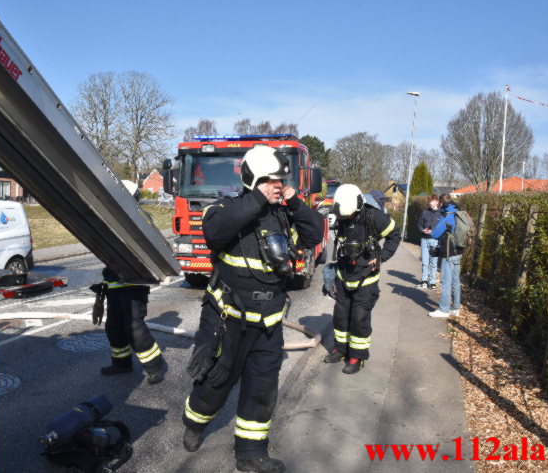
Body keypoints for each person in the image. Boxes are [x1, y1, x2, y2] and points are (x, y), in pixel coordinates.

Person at [181, 146, 324, 473]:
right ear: (257, 178)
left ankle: (250, 453)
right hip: (227, 319)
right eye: (274, 180)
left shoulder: (284, 211)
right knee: (217, 381)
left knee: (261, 389)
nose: (279, 185)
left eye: (281, 180)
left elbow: (314, 233)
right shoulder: (226, 207)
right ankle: (194, 422)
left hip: (269, 322)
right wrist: (259, 198)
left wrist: (295, 201)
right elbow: (214, 232)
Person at [324, 184, 401, 374]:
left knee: (359, 318)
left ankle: (357, 356)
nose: (344, 218)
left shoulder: (373, 217)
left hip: (365, 279)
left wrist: (381, 257)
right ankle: (340, 349)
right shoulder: (342, 214)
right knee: (341, 316)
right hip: (344, 275)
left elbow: (395, 235)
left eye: (346, 215)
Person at [90, 267, 167, 384]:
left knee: (135, 330)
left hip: (134, 285)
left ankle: (154, 367)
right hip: (114, 289)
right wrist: (100, 295)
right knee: (114, 328)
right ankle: (122, 364)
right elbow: (110, 263)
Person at [428, 193, 463, 318]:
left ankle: (443, 309)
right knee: (455, 281)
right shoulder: (458, 212)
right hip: (459, 251)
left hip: (449, 252)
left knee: (445, 281)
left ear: (441, 203)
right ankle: (456, 308)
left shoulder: (447, 215)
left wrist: (432, 229)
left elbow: (435, 234)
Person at [416, 194, 440, 290]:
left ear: (437, 202)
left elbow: (442, 227)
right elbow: (419, 223)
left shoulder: (441, 213)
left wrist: (433, 231)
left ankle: (433, 283)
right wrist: (422, 230)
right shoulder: (425, 212)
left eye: (432, 201)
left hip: (435, 240)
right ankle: (424, 281)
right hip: (424, 240)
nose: (430, 203)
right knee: (425, 262)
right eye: (429, 201)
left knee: (433, 262)